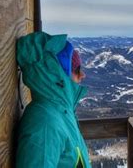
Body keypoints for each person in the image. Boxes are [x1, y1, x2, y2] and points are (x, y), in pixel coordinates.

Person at [16, 31, 91, 168]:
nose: (83, 74)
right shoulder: (45, 123)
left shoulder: (62, 113)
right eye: (77, 69)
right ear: (59, 74)